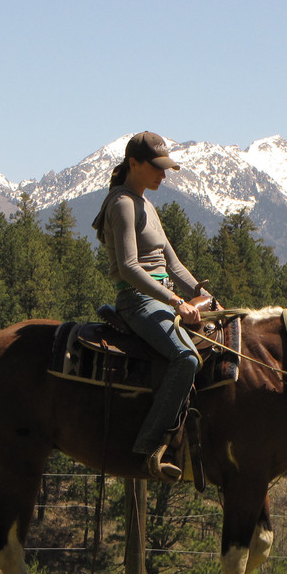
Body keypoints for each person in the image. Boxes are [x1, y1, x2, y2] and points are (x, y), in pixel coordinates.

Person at [91, 132, 210, 481]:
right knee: (185, 357)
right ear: (133, 164)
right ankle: (149, 447)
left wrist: (206, 293)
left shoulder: (148, 205)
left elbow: (174, 266)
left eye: (166, 168)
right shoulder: (123, 203)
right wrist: (176, 300)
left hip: (161, 299)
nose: (164, 175)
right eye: (157, 168)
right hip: (138, 301)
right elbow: (129, 268)